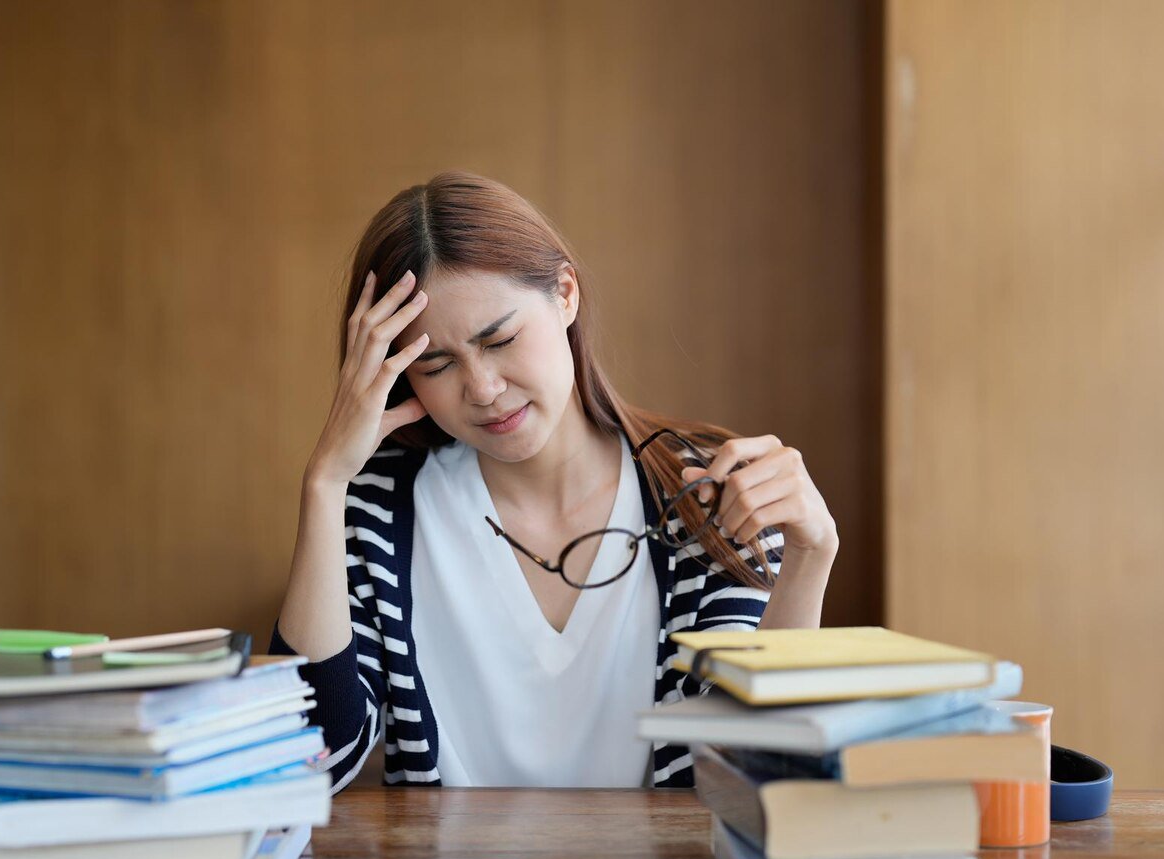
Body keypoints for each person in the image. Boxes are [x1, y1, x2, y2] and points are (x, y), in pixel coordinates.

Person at [272, 171, 838, 792]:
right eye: (436, 364)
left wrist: (809, 561)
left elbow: (746, 773)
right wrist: (325, 484)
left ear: (564, 294)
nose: (483, 390)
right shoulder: (381, 507)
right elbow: (311, 761)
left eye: (501, 339)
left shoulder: (701, 491)